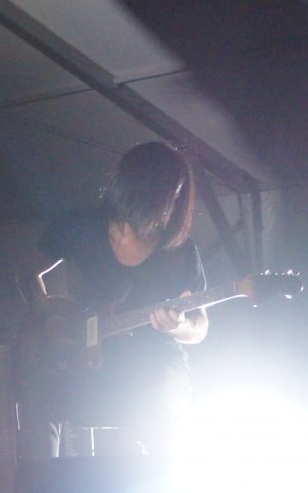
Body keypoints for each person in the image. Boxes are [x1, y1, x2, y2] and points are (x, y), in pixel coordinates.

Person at [16, 141, 208, 458]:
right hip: (82, 351)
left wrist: (178, 325)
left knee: (161, 410)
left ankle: (158, 483)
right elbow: (27, 269)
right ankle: (42, 484)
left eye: (175, 195)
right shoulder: (79, 227)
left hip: (150, 359)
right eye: (164, 194)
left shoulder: (179, 250)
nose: (168, 204)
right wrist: (46, 315)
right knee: (41, 402)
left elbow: (199, 327)